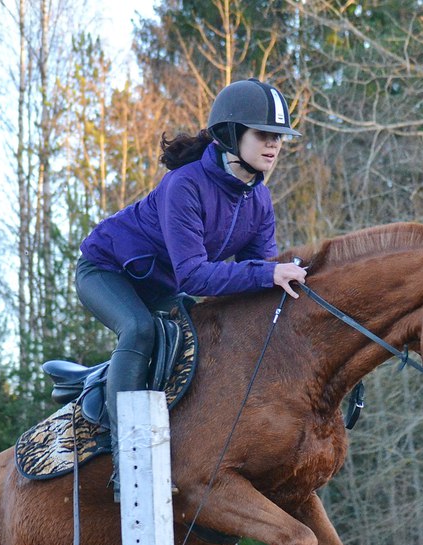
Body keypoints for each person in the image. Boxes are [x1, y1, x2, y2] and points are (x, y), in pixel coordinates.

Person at [75, 77, 306, 496]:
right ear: (231, 135)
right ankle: (129, 460)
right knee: (139, 329)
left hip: (160, 284)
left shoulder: (260, 201)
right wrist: (268, 274)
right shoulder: (184, 185)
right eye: (263, 135)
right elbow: (196, 277)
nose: (274, 145)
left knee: (208, 336)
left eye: (279, 137)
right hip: (106, 271)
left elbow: (260, 275)